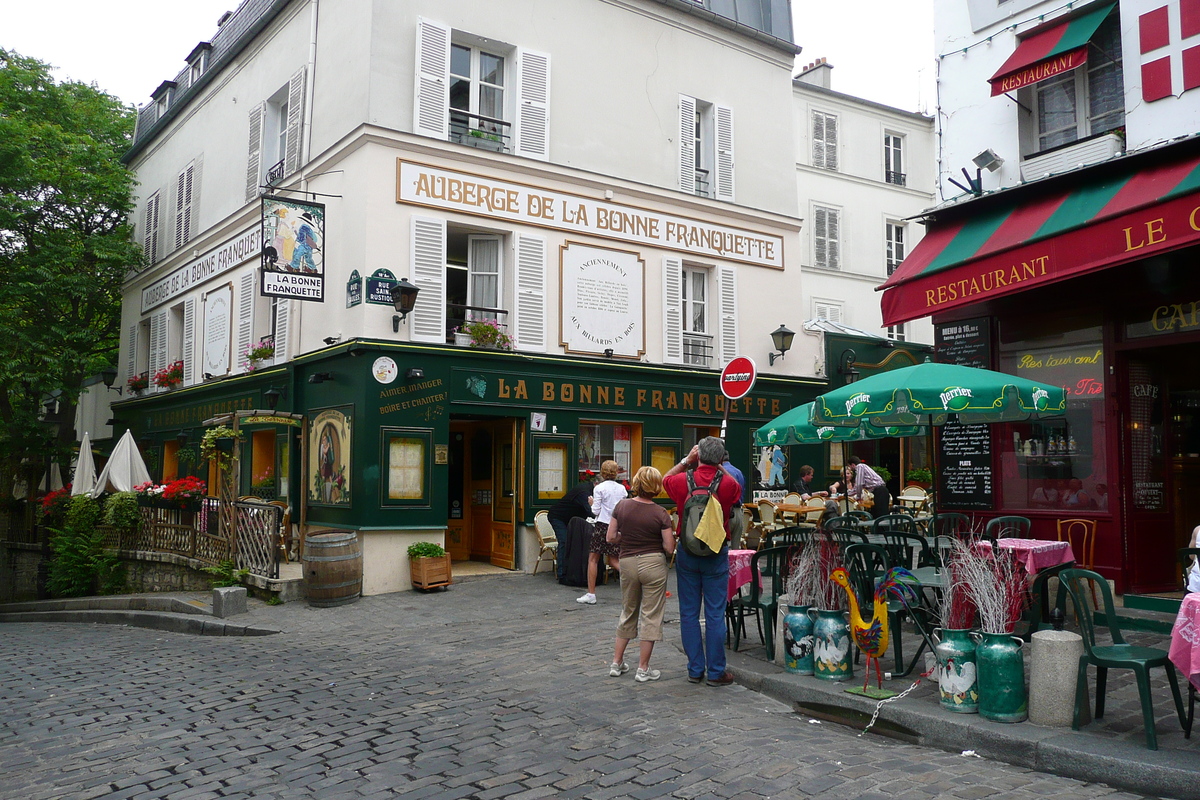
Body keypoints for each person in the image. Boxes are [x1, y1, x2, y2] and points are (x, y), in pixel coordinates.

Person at [663, 437, 742, 686]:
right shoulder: (728, 484)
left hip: (687, 551)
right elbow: (735, 490)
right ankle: (716, 672)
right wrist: (717, 465)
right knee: (715, 614)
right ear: (721, 459)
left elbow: (664, 480)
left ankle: (695, 669)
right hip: (716, 551)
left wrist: (687, 461)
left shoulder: (681, 481)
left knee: (688, 613)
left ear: (697, 456)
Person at [605, 466, 675, 681]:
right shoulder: (660, 513)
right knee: (651, 615)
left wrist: (624, 538)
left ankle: (617, 662)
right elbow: (669, 547)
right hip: (653, 563)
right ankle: (643, 668)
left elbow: (611, 537)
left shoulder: (622, 506)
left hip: (627, 561)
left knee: (628, 610)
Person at [577, 461, 625, 604]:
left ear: (603, 472)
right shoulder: (622, 489)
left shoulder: (599, 488)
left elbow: (595, 511)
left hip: (602, 525)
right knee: (614, 559)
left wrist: (592, 504)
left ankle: (591, 594)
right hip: (616, 526)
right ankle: (634, 578)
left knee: (593, 559)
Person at [547, 475, 594, 582]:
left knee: (574, 542)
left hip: (570, 517)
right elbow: (591, 512)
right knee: (564, 541)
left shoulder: (588, 489)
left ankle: (572, 570)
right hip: (558, 517)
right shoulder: (584, 493)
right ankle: (562, 575)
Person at [721, 456, 747, 546]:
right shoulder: (738, 471)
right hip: (739, 512)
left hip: (727, 513)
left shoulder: (721, 472)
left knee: (725, 547)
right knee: (736, 549)